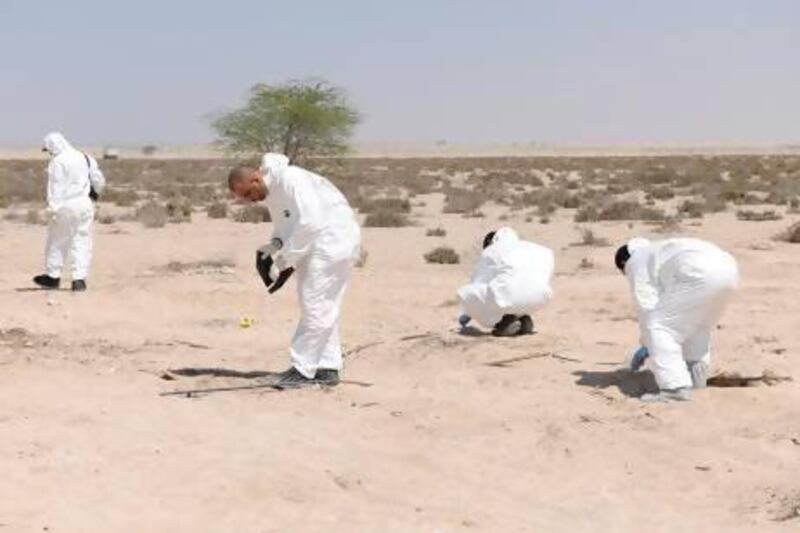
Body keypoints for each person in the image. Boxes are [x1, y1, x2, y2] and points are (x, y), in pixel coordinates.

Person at [228, 153, 361, 387]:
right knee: (320, 305)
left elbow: (309, 223)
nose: (251, 200)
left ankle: (302, 369)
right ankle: (327, 367)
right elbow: (285, 227)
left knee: (315, 304)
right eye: (245, 199)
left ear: (256, 179)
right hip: (316, 244)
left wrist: (283, 263)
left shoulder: (290, 179)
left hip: (331, 242)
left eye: (248, 194)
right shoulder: (273, 193)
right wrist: (268, 249)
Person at [615, 237, 739, 402]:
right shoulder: (659, 251)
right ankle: (696, 379)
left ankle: (675, 390)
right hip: (729, 269)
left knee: (658, 326)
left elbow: (647, 308)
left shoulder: (635, 261)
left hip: (699, 273)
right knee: (698, 325)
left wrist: (648, 344)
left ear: (624, 262)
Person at [33, 132, 105, 292]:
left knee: (57, 241)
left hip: (65, 207)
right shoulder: (85, 157)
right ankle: (79, 280)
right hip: (85, 205)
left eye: (49, 149)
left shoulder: (57, 162)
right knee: (82, 240)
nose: (49, 153)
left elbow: (55, 189)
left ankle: (53, 277)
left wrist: (52, 210)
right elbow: (98, 179)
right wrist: (95, 194)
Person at [457, 227, 554, 336]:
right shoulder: (538, 249)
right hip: (540, 298)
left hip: (511, 295)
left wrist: (468, 312)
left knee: (467, 292)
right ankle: (523, 318)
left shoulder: (492, 251)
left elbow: (478, 281)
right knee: (514, 294)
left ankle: (505, 324)